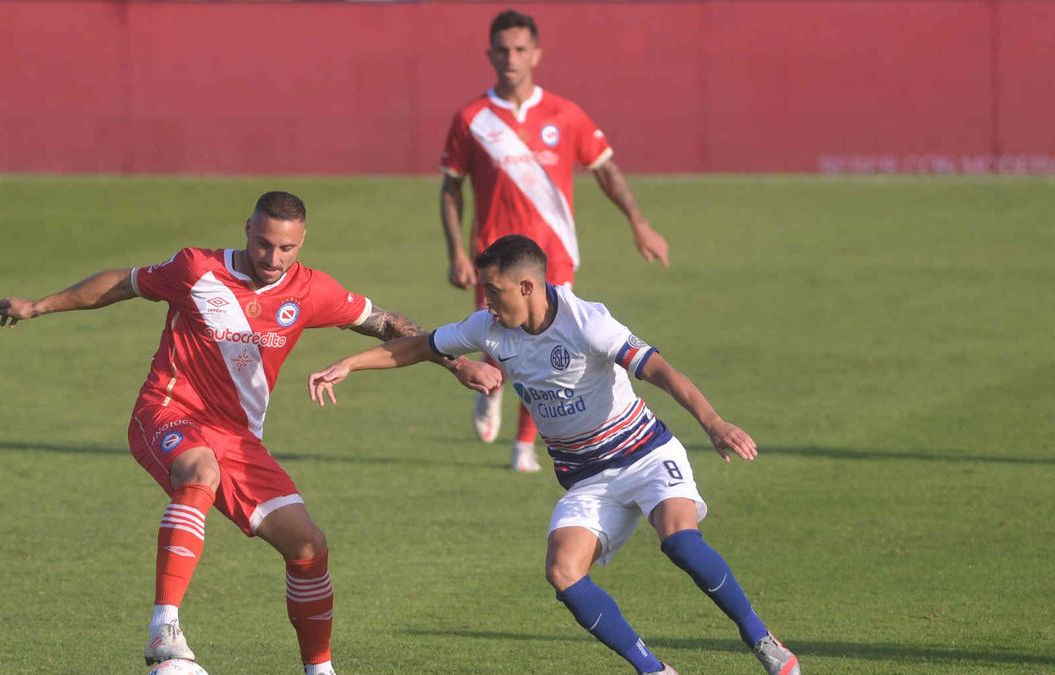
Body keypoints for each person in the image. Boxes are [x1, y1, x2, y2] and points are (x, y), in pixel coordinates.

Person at [0, 191, 500, 675]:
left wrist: (456, 366)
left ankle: (319, 670)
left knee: (307, 546)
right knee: (199, 471)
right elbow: (123, 283)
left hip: (238, 439)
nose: (273, 258)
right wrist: (37, 306)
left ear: (302, 242)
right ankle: (164, 629)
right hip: (168, 412)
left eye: (287, 248)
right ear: (247, 228)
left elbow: (388, 324)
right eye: (263, 244)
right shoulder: (195, 268)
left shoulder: (311, 290)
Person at [307, 235, 800, 675]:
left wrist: (714, 424)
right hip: (587, 479)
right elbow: (416, 347)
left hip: (646, 454)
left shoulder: (589, 322)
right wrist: (349, 364)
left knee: (680, 542)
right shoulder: (489, 328)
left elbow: (661, 370)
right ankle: (652, 670)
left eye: (494, 291)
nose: (487, 302)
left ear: (526, 286)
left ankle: (761, 639)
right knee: (563, 572)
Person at [440, 8, 671, 474]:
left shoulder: (565, 114)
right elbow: (451, 187)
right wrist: (457, 253)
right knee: (499, 337)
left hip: (554, 257)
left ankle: (525, 445)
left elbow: (605, 167)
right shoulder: (472, 118)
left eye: (520, 49)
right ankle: (492, 384)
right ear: (490, 54)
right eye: (502, 50)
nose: (511, 58)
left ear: (536, 54)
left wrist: (638, 222)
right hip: (492, 256)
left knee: (547, 350)